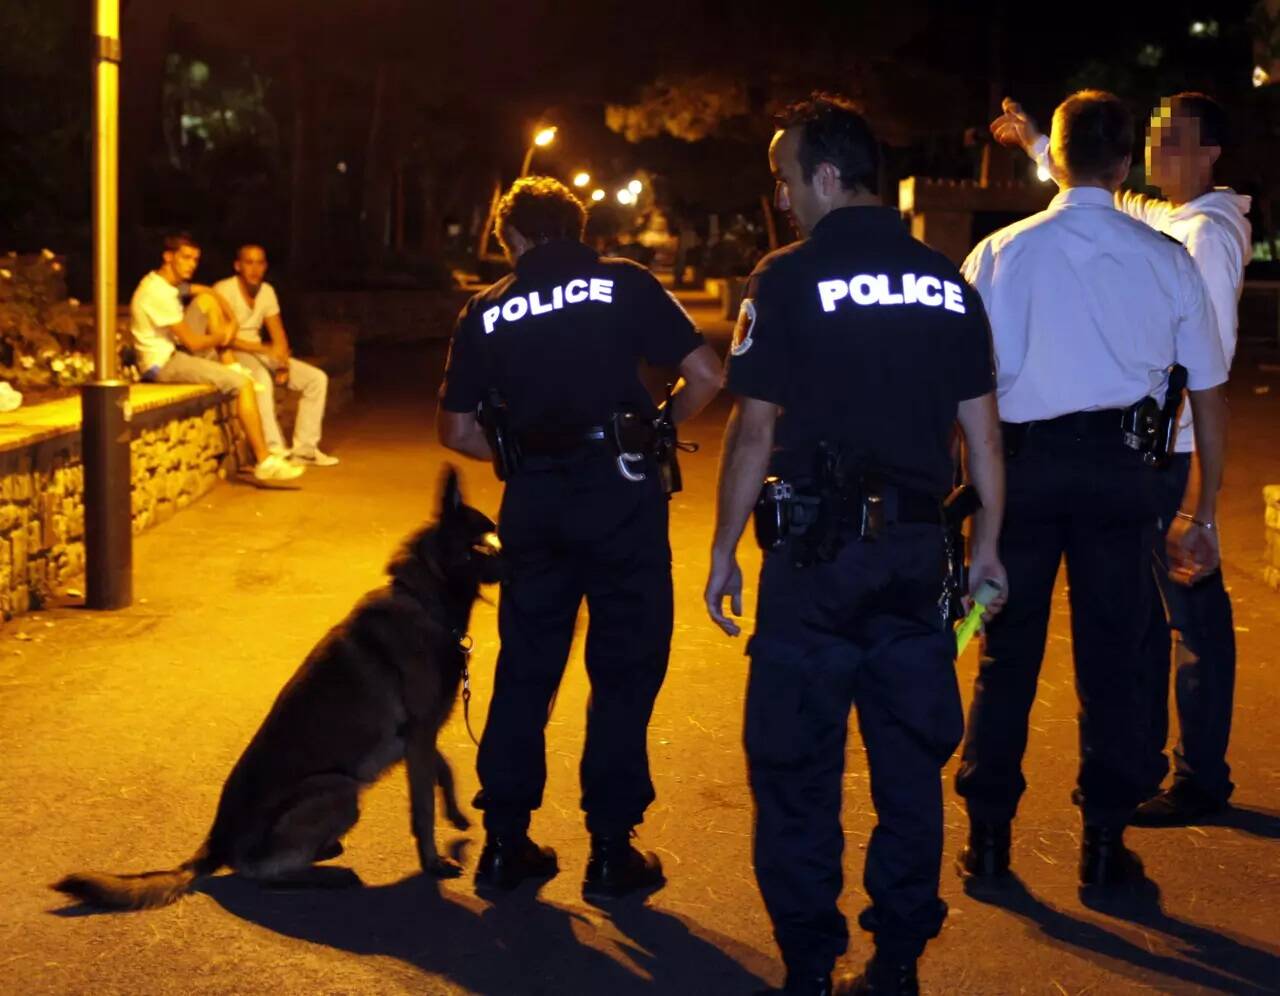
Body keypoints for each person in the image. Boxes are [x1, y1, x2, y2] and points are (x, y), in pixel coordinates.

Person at [704, 93, 1006, 996]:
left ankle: (808, 963)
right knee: (908, 769)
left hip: (814, 565)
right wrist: (989, 549)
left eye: (785, 178)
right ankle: (898, 961)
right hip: (915, 561)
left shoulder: (785, 277)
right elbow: (983, 437)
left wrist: (723, 550)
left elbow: (753, 431)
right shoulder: (947, 284)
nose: (781, 197)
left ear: (828, 176)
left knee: (796, 768)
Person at [954, 91, 1228, 893]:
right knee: (1112, 660)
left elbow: (963, 391)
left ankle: (989, 840)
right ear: (1125, 164)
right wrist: (1203, 511)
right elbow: (1209, 397)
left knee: (1005, 652)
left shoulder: (997, 254)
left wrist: (970, 499)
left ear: (1060, 155)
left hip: (1020, 471)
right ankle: (1104, 846)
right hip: (1121, 475)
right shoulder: (1165, 258)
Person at [436, 176, 722, 899]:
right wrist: (654, 430)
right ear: (577, 227)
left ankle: (504, 843)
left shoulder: (486, 309)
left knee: (526, 668)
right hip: (622, 494)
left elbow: (457, 431)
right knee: (624, 668)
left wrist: (524, 456)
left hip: (534, 504)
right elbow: (706, 375)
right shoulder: (622, 281)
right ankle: (609, 850)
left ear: (511, 238)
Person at [130, 233, 303, 483]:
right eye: (185, 258)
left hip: (174, 353)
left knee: (208, 301)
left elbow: (206, 292)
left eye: (195, 259)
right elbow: (193, 342)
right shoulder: (157, 293)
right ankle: (264, 460)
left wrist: (230, 319)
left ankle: (231, 366)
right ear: (168, 257)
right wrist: (223, 336)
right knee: (243, 384)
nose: (192, 264)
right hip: (162, 364)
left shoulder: (166, 284)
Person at [214, 245, 338, 467]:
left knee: (316, 379)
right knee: (261, 379)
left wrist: (283, 362)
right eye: (249, 262)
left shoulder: (267, 291)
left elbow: (278, 334)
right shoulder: (224, 290)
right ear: (238, 266)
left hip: (261, 352)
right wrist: (262, 349)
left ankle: (305, 450)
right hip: (233, 353)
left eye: (260, 263)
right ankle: (274, 449)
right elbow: (221, 338)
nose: (255, 269)